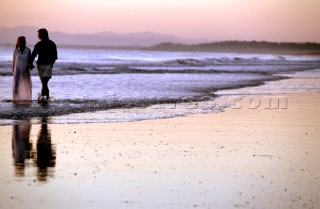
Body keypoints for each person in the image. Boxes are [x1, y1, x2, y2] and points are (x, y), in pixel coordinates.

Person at [31, 28, 58, 102]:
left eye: (39, 34)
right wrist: (30, 63)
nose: (38, 36)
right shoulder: (38, 44)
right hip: (40, 66)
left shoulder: (51, 44)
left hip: (47, 66)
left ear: (43, 34)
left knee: (44, 82)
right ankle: (47, 98)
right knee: (44, 83)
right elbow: (33, 55)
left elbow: (55, 56)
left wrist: (51, 64)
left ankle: (42, 98)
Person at [12, 36, 33, 102]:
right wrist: (13, 71)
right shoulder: (16, 50)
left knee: (28, 85)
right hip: (17, 70)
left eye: (25, 41)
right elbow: (14, 61)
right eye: (23, 41)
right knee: (16, 85)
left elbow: (30, 60)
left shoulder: (28, 50)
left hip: (25, 70)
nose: (25, 42)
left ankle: (29, 99)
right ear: (19, 42)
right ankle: (15, 99)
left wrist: (31, 65)